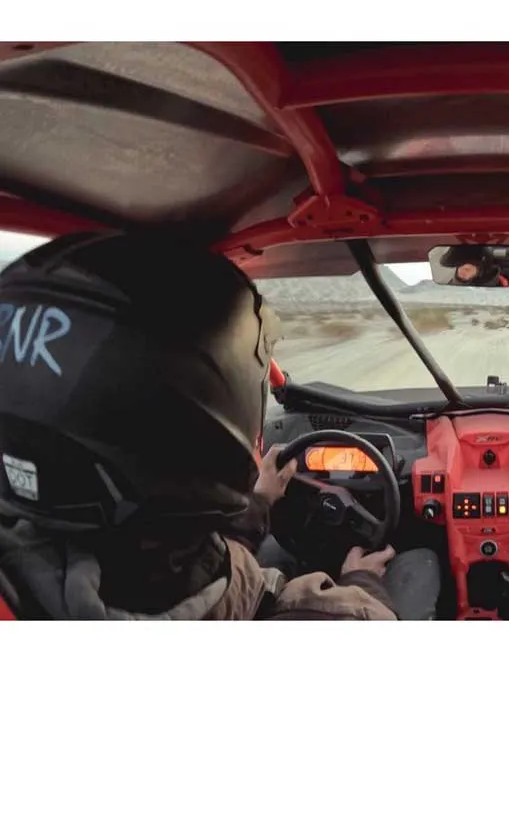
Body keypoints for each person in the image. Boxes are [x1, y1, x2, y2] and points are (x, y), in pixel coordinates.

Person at [0, 231, 439, 621]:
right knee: (420, 564)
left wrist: (260, 501)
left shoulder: (40, 555)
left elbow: (188, 553)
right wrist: (362, 582)